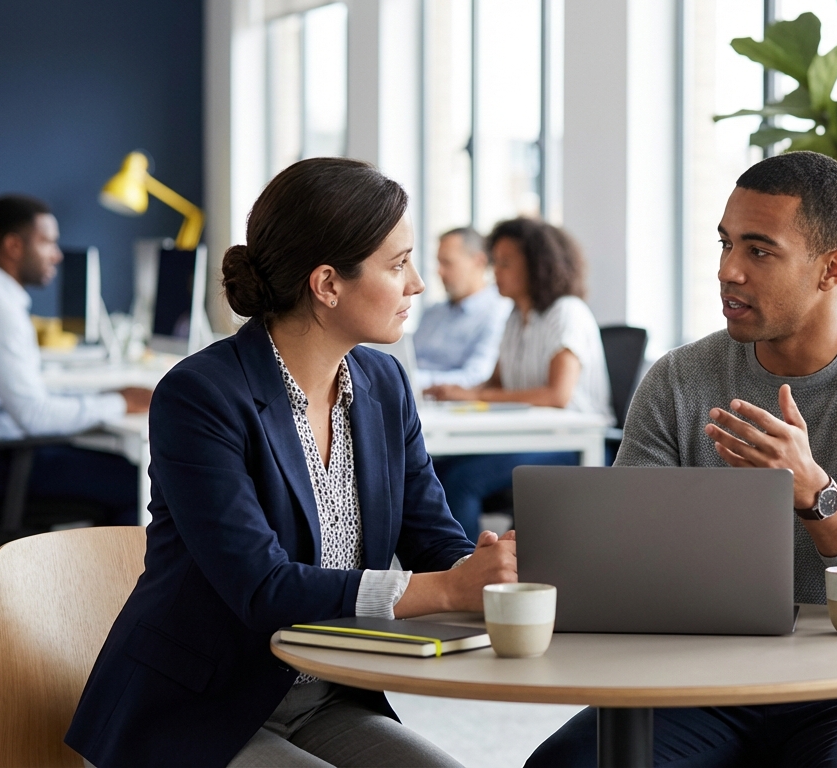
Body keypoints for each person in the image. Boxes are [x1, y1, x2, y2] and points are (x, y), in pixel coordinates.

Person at [66, 158, 517, 768]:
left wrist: (490, 568)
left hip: (325, 698)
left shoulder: (384, 383)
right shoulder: (200, 395)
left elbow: (433, 538)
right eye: (396, 264)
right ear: (328, 284)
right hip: (196, 711)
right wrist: (442, 590)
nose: (416, 284)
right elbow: (262, 587)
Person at [526, 151, 837, 767]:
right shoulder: (677, 379)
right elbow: (625, 559)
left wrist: (813, 492)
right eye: (726, 244)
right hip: (698, 683)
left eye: (759, 251)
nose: (728, 270)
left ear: (831, 269)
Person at [0, 195, 151, 526]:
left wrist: (108, 399)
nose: (57, 253)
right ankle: (114, 577)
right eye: (47, 242)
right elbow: (34, 416)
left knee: (125, 470)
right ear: (13, 246)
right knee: (143, 484)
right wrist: (120, 402)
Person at [424, 218, 612, 540]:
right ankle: (446, 573)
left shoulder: (567, 312)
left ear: (537, 265)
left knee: (461, 481)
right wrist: (460, 392)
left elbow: (557, 395)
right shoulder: (514, 316)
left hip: (574, 445)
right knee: (435, 472)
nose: (495, 271)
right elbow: (495, 384)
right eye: (495, 262)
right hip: (533, 438)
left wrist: (475, 397)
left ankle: (467, 577)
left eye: (506, 263)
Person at [411, 226, 511, 389]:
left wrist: (408, 380)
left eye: (447, 263)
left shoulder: (498, 313)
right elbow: (407, 361)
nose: (439, 272)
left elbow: (476, 377)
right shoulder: (432, 313)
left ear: (479, 261)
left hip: (454, 407)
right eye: (438, 262)